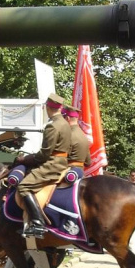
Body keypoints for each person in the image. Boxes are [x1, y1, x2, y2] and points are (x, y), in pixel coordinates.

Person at [16, 93, 71, 237]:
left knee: (23, 186)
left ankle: (38, 223)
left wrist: (26, 159)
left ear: (48, 107)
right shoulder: (65, 123)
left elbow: (45, 154)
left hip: (52, 164)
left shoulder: (52, 126)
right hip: (62, 162)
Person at [62, 105, 91, 172]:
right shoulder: (84, 136)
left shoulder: (68, 135)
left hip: (67, 172)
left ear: (67, 119)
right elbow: (88, 162)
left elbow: (60, 158)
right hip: (80, 172)